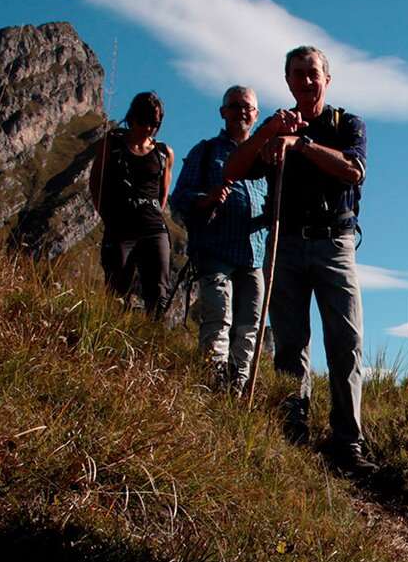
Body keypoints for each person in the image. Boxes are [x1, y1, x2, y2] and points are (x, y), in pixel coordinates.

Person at [222, 45, 376, 476]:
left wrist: (302, 144)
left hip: (334, 243)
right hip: (285, 245)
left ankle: (348, 442)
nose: (307, 81)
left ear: (327, 79)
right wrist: (268, 130)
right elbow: (232, 171)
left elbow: (354, 170)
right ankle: (294, 430)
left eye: (313, 73)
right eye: (298, 74)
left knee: (345, 344)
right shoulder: (275, 127)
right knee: (291, 343)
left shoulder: (347, 124)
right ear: (287, 81)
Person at [170, 85, 270, 395]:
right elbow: (179, 199)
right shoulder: (206, 151)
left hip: (254, 254)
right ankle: (213, 383)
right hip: (216, 249)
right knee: (218, 316)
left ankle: (237, 388)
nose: (242, 111)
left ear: (256, 115)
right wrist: (206, 198)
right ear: (223, 112)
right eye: (235, 106)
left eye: (248, 107)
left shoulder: (265, 158)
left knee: (250, 325)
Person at [89, 91, 176, 317]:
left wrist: (153, 212)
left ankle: (153, 343)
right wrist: (107, 215)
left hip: (153, 227)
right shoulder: (113, 142)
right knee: (117, 288)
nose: (149, 128)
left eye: (155, 123)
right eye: (144, 121)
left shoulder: (164, 153)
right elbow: (95, 181)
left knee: (158, 291)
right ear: (133, 117)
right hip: (119, 227)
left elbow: (163, 194)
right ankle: (113, 337)